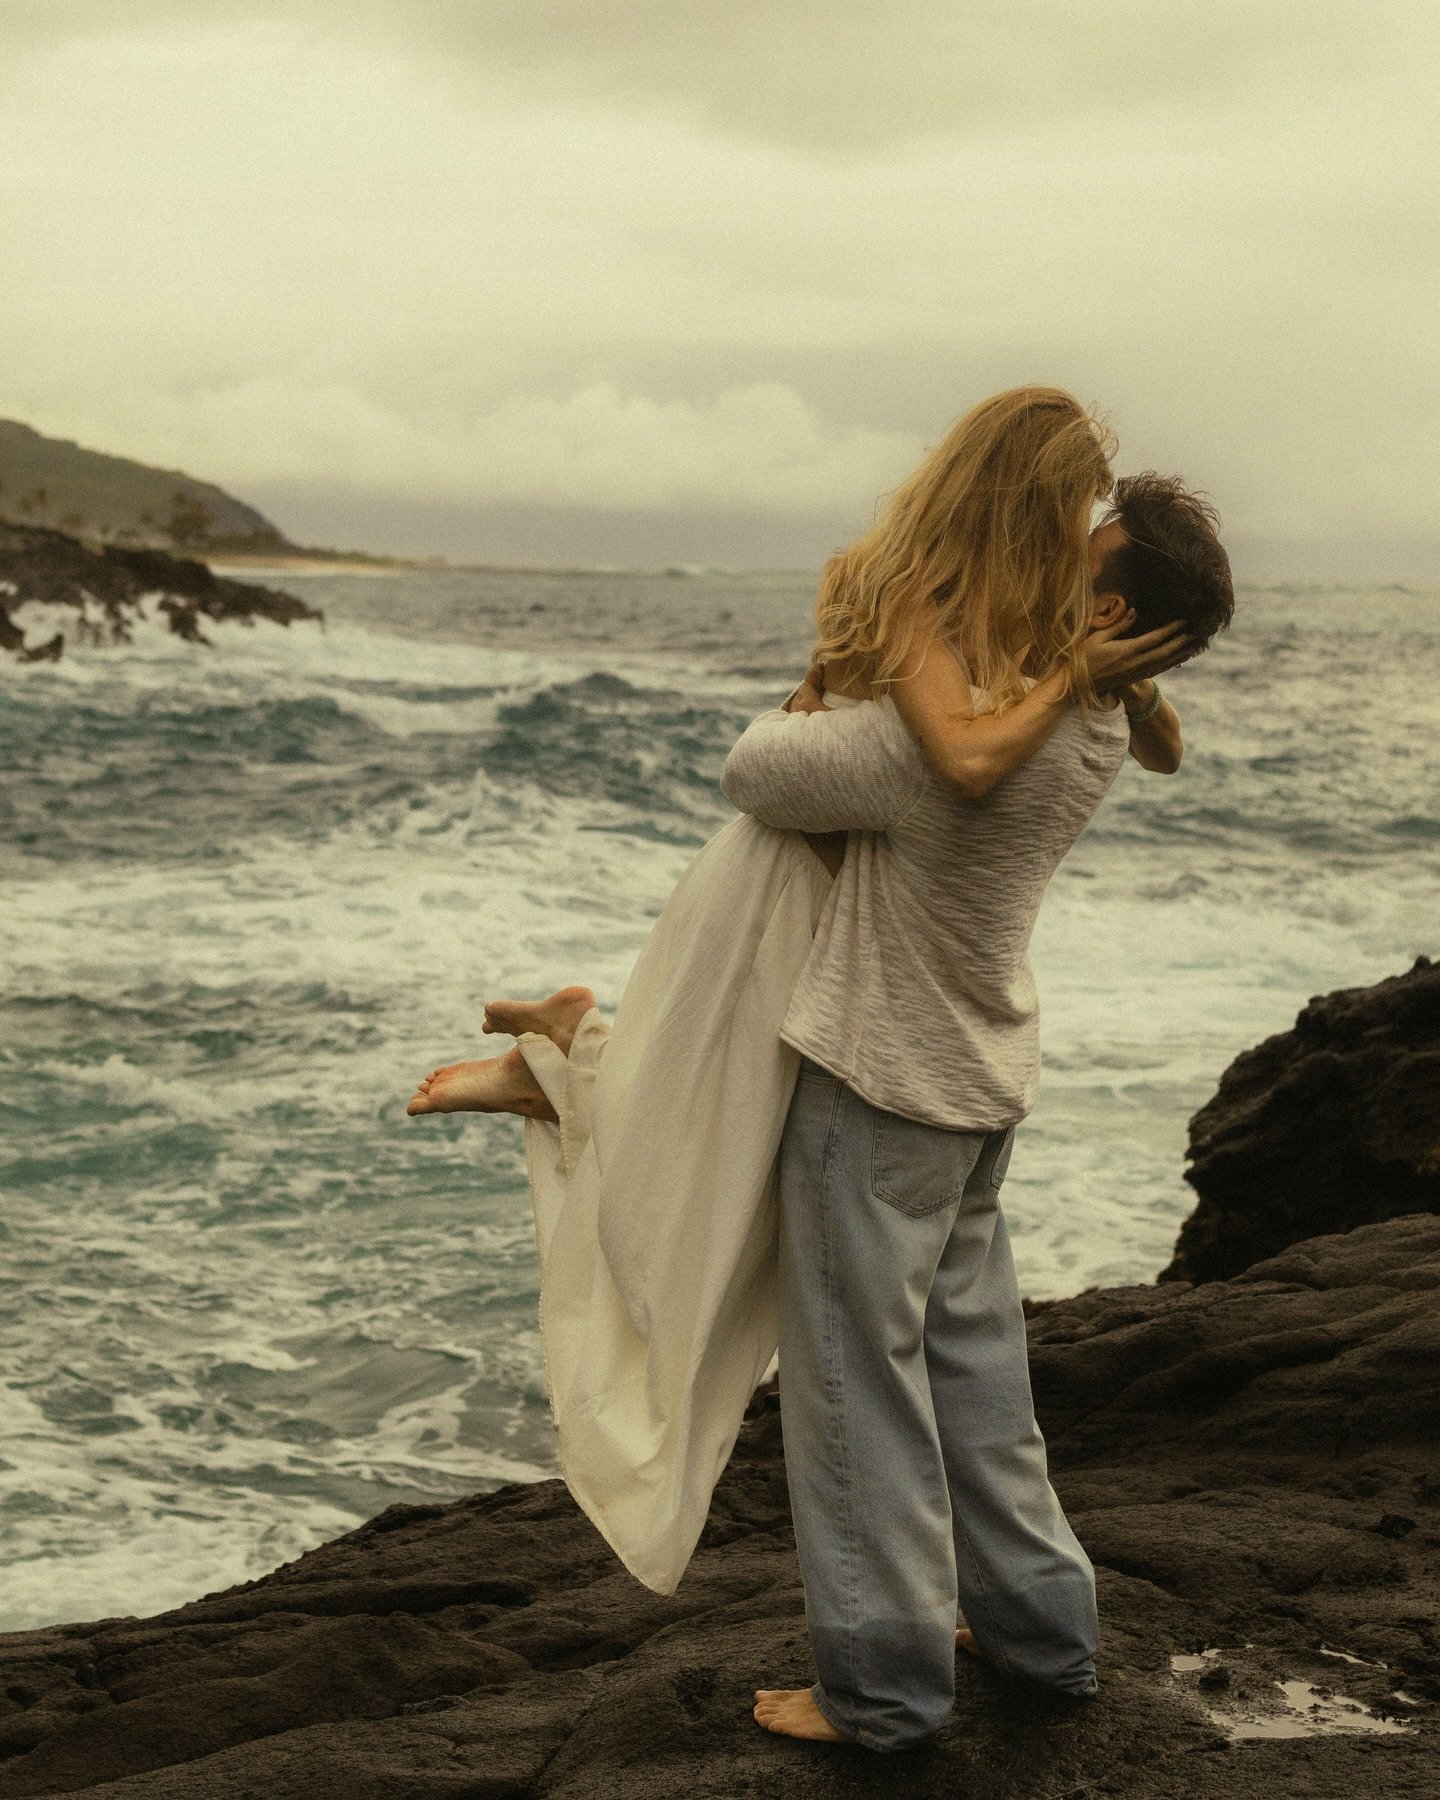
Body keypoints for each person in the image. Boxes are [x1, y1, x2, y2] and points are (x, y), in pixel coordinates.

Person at [405, 398, 1231, 1732]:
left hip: (879, 1089)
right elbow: (1069, 724)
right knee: (977, 1380)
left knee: (855, 1397)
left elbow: (759, 772)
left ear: (1112, 606)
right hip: (977, 1080)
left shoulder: (937, 750)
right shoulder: (1095, 726)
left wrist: (830, 681)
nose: (1069, 545)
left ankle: (883, 1689)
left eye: (1090, 545)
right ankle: (1043, 1636)